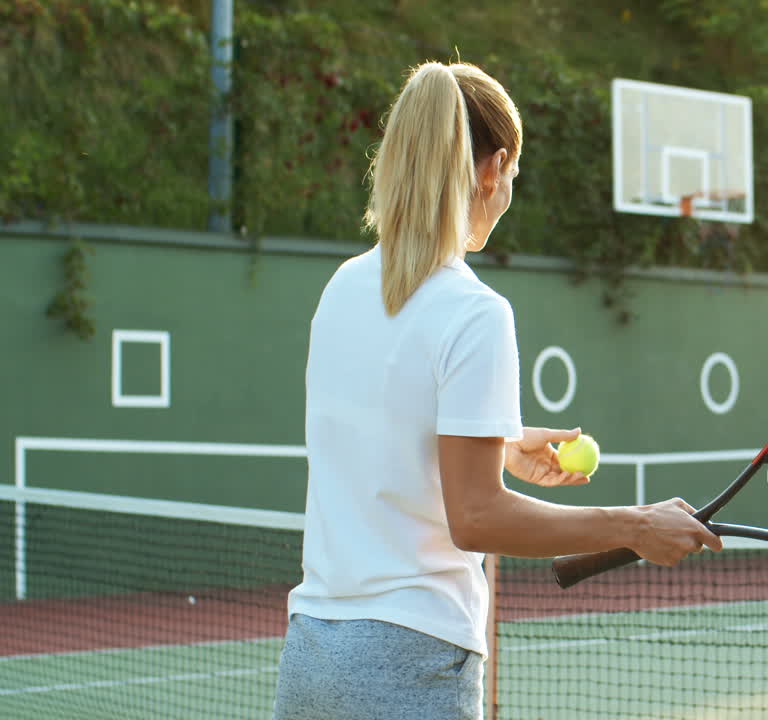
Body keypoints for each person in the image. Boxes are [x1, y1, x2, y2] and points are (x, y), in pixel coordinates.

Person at [272, 61, 721, 720]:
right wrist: (636, 526)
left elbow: (382, 431)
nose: (509, 192)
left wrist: (500, 444)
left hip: (310, 657)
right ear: (495, 167)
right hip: (410, 664)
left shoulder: (341, 288)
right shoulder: (476, 312)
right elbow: (477, 518)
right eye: (513, 176)